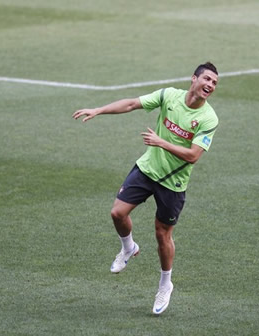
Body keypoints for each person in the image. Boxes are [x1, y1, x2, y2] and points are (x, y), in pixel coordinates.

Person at [72, 62, 219, 315]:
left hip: (173, 182)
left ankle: (165, 284)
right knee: (117, 213)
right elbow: (132, 103)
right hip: (147, 169)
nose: (210, 85)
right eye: (207, 79)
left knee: (162, 235)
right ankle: (129, 247)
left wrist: (161, 142)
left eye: (215, 83)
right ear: (193, 79)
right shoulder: (169, 96)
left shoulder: (208, 118)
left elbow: (193, 155)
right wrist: (99, 110)